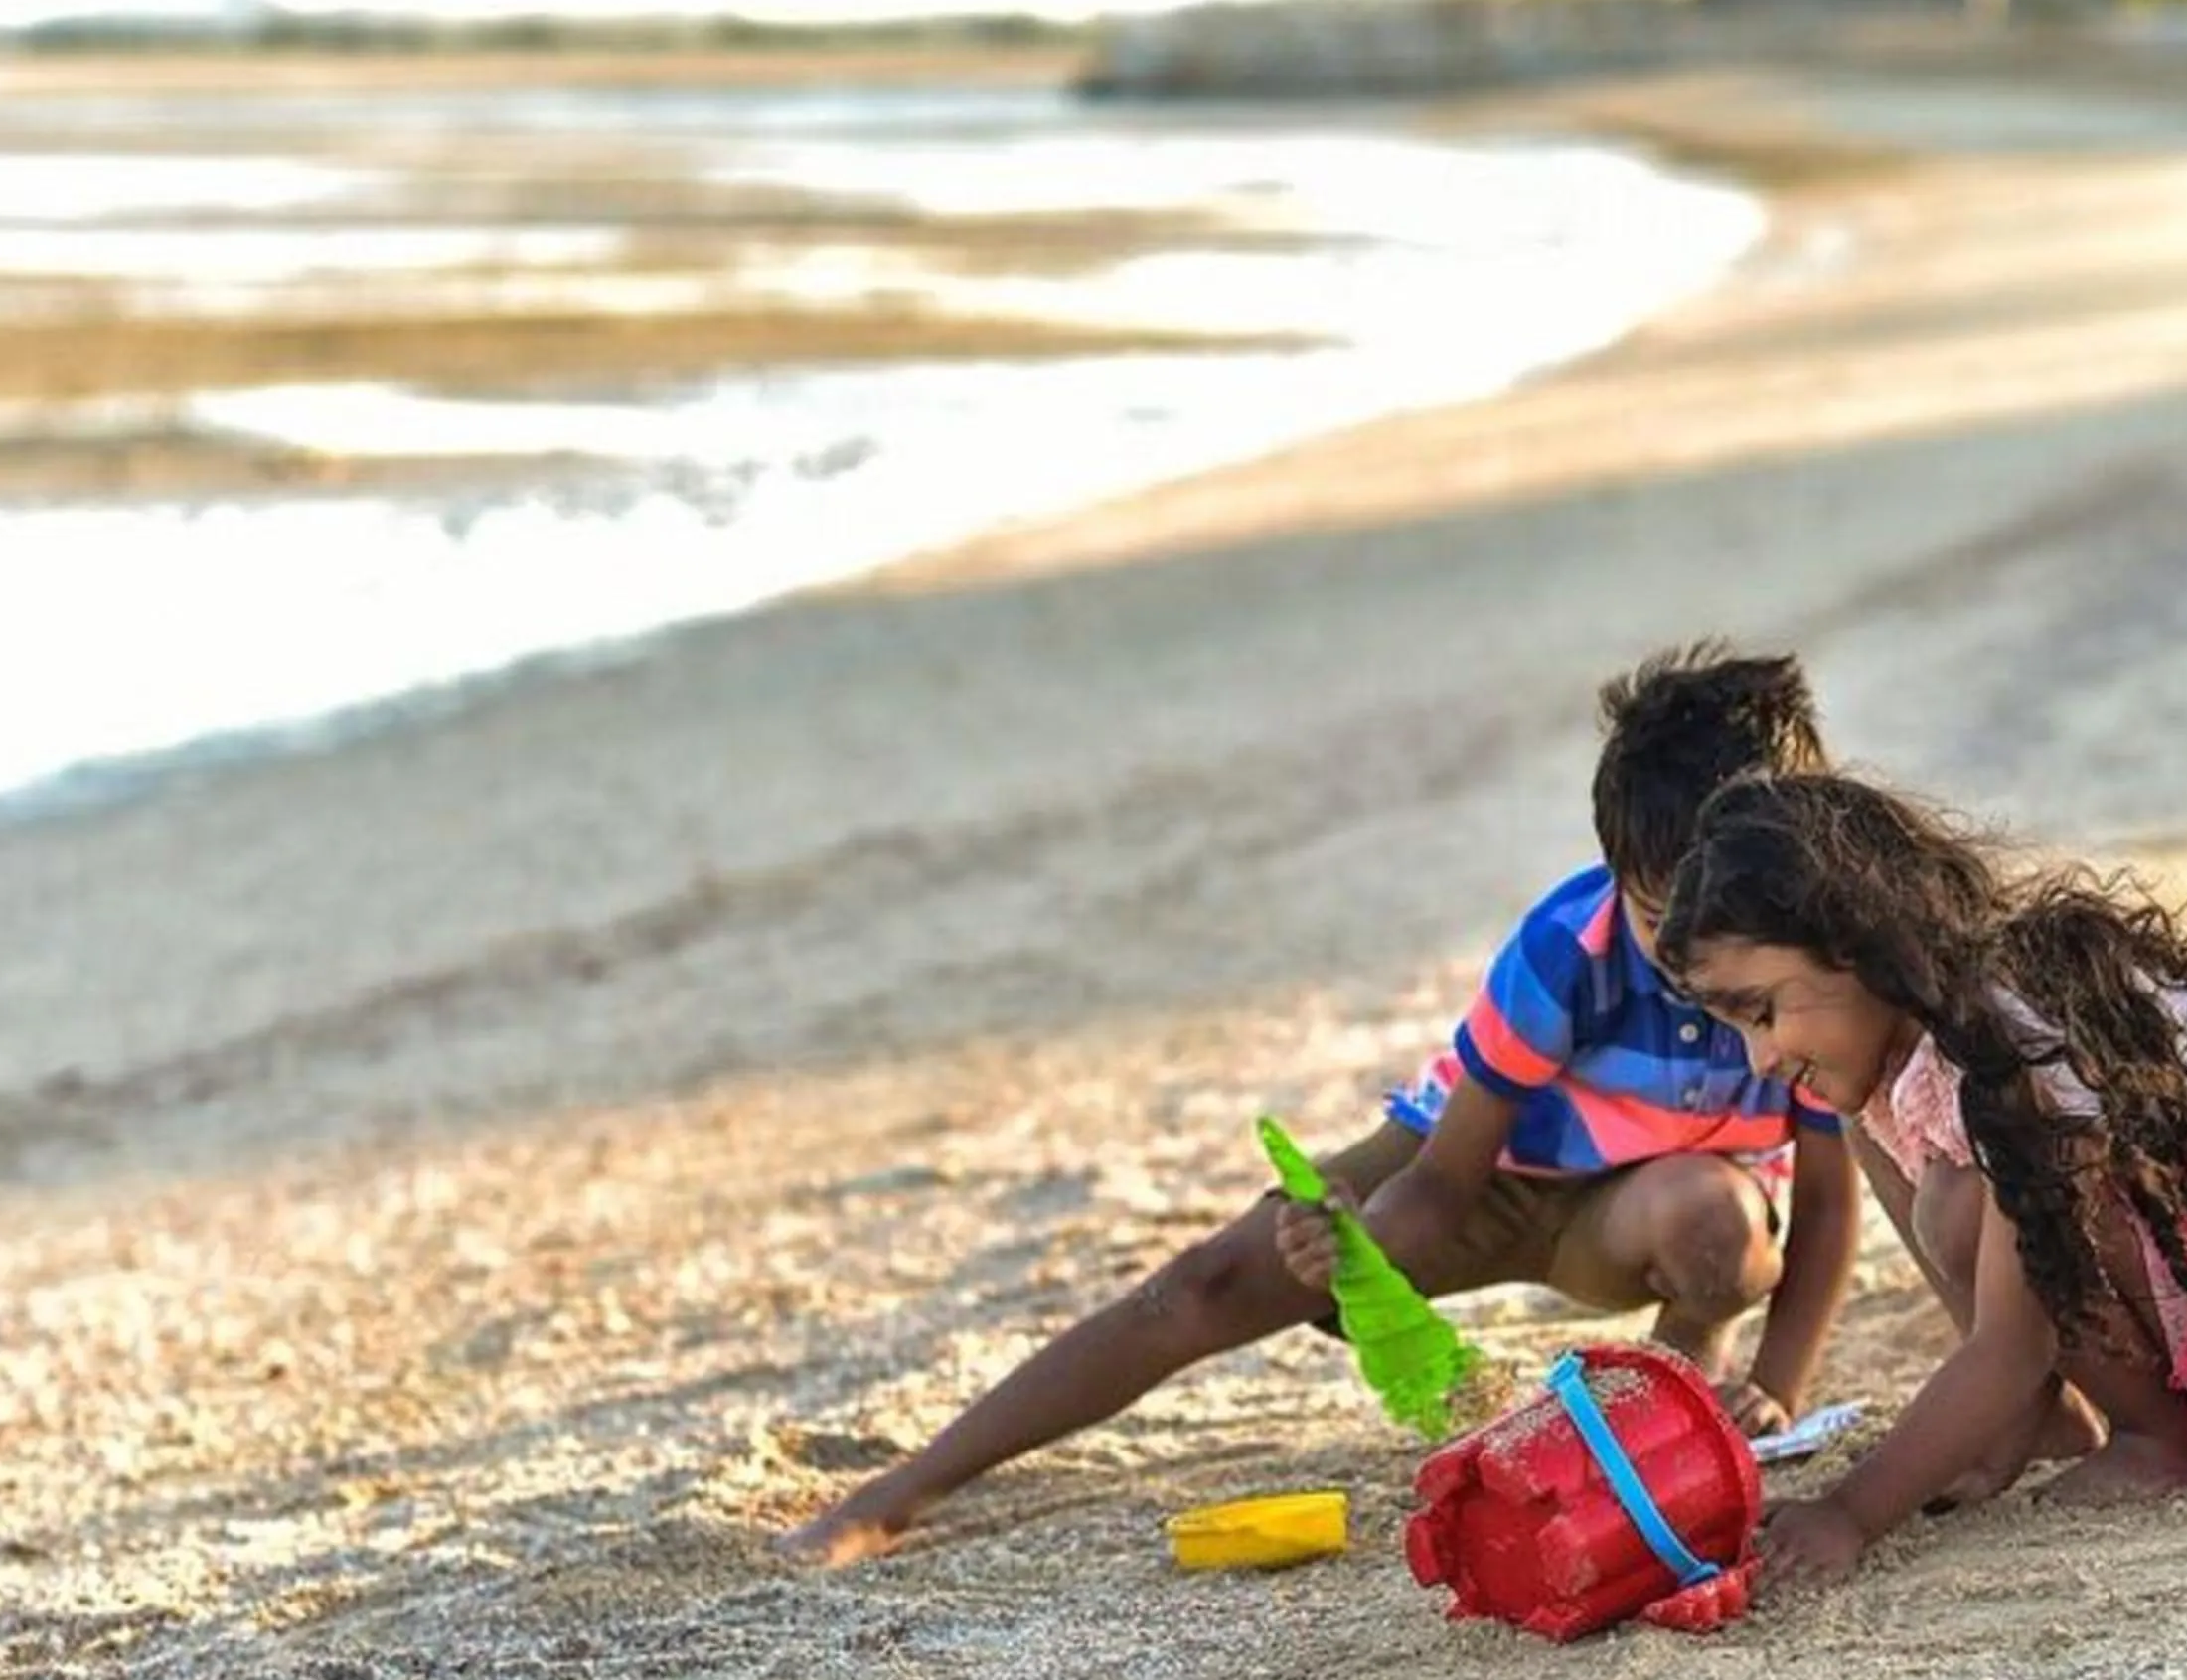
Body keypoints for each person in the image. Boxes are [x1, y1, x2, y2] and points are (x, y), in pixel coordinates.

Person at [778, 645, 1865, 1567]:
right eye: (1656, 915)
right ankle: (903, 1489)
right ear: (1615, 871)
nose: (1685, 957)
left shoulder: (1813, 970)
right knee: (1209, 1281)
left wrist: (1779, 1382)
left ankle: (1677, 1397)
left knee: (1720, 1231)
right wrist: (1357, 1269)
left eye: (1715, 920)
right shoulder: (1565, 951)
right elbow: (1443, 1179)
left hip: (1649, 1207)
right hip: (1482, 1162)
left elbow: (1823, 1206)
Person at [1655, 771, 2187, 1584]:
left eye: (1764, 1012)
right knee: (1940, 1190)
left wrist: (1848, 1513)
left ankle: (2160, 1439)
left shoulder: (2016, 1048)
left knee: (2011, 1186)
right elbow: (1990, 1308)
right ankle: (2047, 1423)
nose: (1760, 1057)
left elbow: (2012, 1342)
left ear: (1854, 945)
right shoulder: (1894, 1061)